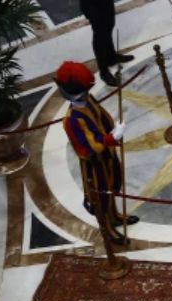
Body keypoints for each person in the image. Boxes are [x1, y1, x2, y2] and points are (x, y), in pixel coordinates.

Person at [56, 61, 137, 246]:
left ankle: (115, 216)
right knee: (101, 197)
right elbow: (86, 148)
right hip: (94, 164)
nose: (85, 95)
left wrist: (113, 132)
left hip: (107, 156)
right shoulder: (71, 120)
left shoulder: (89, 100)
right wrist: (111, 137)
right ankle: (107, 229)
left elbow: (102, 118)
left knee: (112, 186)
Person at [79, 0, 133, 87]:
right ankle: (103, 71)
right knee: (100, 36)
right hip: (92, 5)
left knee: (109, 25)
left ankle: (111, 57)